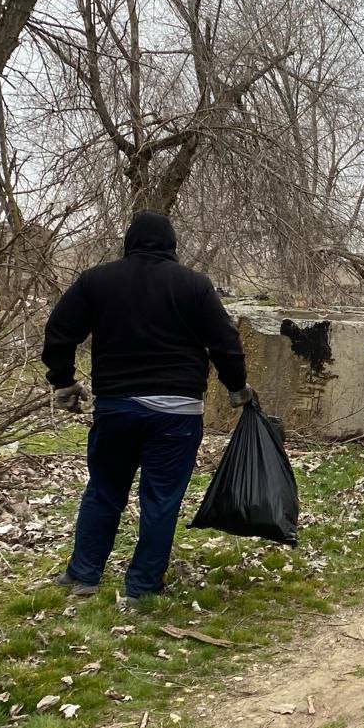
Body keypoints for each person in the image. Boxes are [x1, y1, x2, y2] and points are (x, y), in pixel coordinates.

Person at [42, 212, 252, 601]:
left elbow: (59, 330)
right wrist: (237, 387)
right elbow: (225, 343)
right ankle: (141, 587)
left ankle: (84, 575)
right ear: (172, 246)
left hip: (116, 407)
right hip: (177, 413)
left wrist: (63, 380)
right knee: (161, 499)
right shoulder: (195, 285)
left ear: (129, 243)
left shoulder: (97, 281)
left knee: (104, 489)